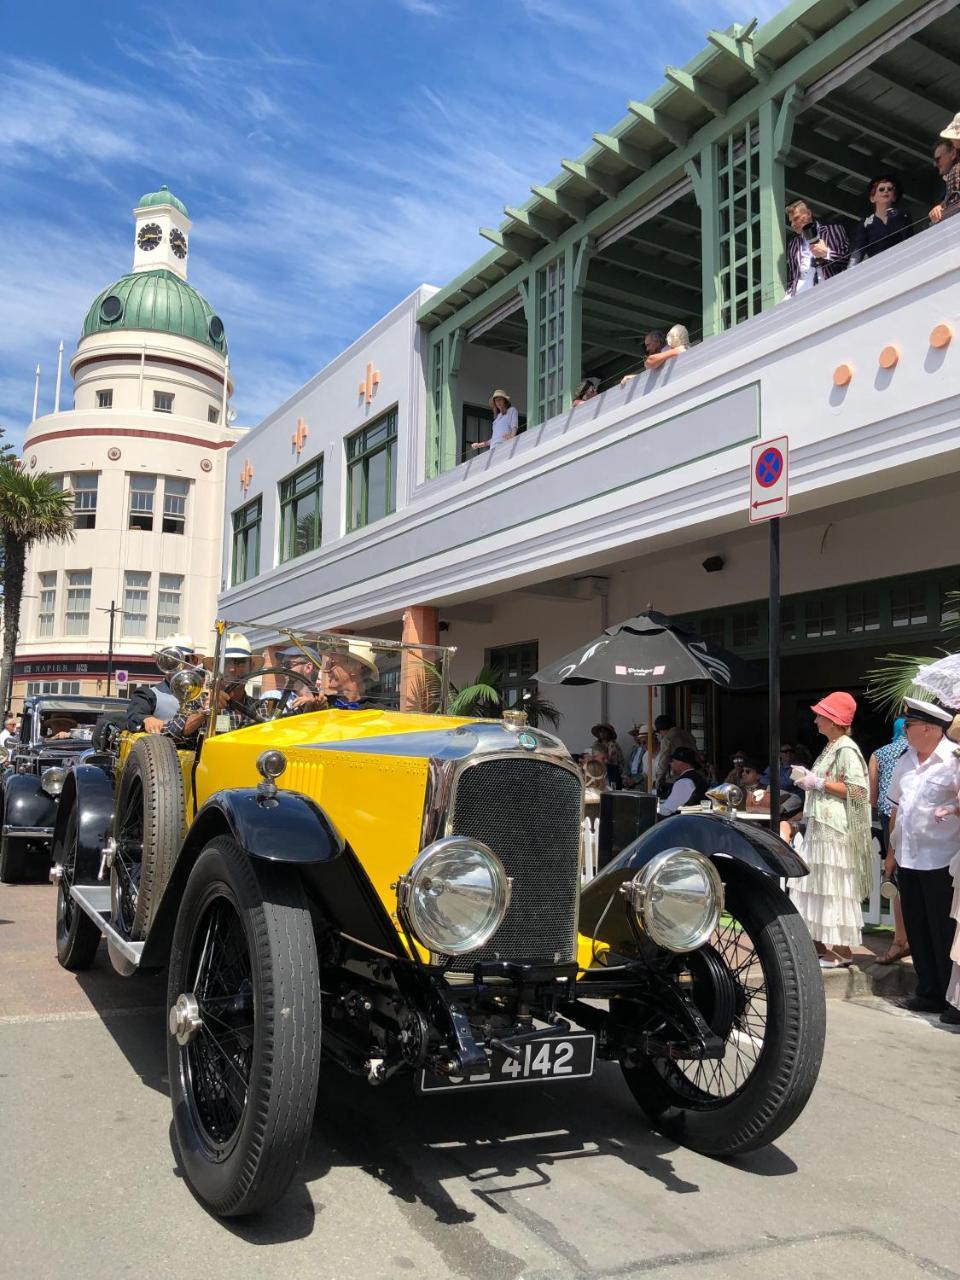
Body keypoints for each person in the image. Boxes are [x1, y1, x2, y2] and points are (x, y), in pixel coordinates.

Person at [886, 696, 960, 1019]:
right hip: (908, 856)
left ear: (930, 729)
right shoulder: (905, 761)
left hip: (941, 858)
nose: (906, 731)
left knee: (942, 929)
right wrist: (891, 853)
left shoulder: (953, 760)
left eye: (911, 726)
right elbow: (896, 809)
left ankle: (949, 997)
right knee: (917, 927)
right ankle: (927, 990)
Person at [789, 691, 872, 968]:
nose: (815, 721)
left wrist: (818, 784)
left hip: (833, 829)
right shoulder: (833, 747)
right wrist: (809, 779)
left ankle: (841, 951)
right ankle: (821, 946)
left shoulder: (846, 748)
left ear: (834, 721)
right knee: (817, 885)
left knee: (833, 886)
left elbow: (859, 791)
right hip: (821, 825)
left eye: (820, 716)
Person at [163, 633, 258, 745]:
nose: (232, 669)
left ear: (251, 666)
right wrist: (205, 712)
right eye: (226, 662)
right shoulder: (197, 701)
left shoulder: (262, 707)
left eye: (239, 662)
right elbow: (168, 735)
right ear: (215, 668)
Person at [869, 717, 911, 965]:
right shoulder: (918, 753)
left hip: (890, 817)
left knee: (894, 876)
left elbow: (872, 797)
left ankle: (900, 939)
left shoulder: (880, 753)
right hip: (918, 819)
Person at [126, 634, 197, 732]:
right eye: (172, 661)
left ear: (194, 661)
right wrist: (146, 719)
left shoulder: (203, 697)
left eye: (185, 659)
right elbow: (134, 716)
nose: (180, 667)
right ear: (164, 664)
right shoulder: (148, 695)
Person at [783, 200, 849, 299]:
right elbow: (793, 277)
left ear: (808, 214)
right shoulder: (793, 245)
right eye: (791, 221)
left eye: (796, 218)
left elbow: (848, 260)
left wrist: (827, 253)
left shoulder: (833, 231)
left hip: (830, 291)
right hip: (802, 297)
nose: (792, 224)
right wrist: (788, 296)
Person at [849, 175, 912, 264]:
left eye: (890, 189)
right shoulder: (865, 223)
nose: (886, 191)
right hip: (879, 265)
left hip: (901, 260)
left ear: (894, 197)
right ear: (872, 198)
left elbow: (909, 239)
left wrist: (896, 219)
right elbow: (859, 249)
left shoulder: (903, 215)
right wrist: (851, 267)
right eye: (881, 189)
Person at [321, 641, 381, 709]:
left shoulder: (377, 714)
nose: (326, 669)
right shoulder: (321, 705)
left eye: (332, 662)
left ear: (355, 667)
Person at [275, 645, 329, 713]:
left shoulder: (323, 702)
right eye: (282, 665)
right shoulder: (274, 697)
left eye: (287, 664)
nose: (283, 669)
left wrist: (314, 704)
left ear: (308, 667)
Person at [658, 746, 710, 816]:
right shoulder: (697, 777)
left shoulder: (684, 783)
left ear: (681, 763)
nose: (670, 764)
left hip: (685, 823)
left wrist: (651, 806)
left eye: (672, 761)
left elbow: (667, 810)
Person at [653, 713, 697, 788]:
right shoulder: (688, 735)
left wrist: (658, 779)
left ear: (661, 729)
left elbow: (664, 760)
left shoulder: (667, 738)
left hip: (678, 775)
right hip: (694, 772)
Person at [929, 125, 960, 224]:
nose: (935, 164)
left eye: (938, 159)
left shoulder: (956, 169)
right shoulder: (953, 172)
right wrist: (941, 207)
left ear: (953, 153)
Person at [589, 722, 624, 790]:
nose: (602, 733)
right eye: (600, 731)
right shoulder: (595, 744)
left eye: (604, 731)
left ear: (609, 733)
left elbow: (614, 761)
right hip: (597, 770)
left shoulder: (613, 745)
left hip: (611, 772)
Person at [623, 724, 657, 789]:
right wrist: (626, 777)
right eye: (634, 735)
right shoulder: (634, 749)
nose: (636, 737)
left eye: (637, 734)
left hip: (641, 782)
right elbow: (627, 765)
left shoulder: (647, 750)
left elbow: (644, 773)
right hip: (631, 780)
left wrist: (634, 780)